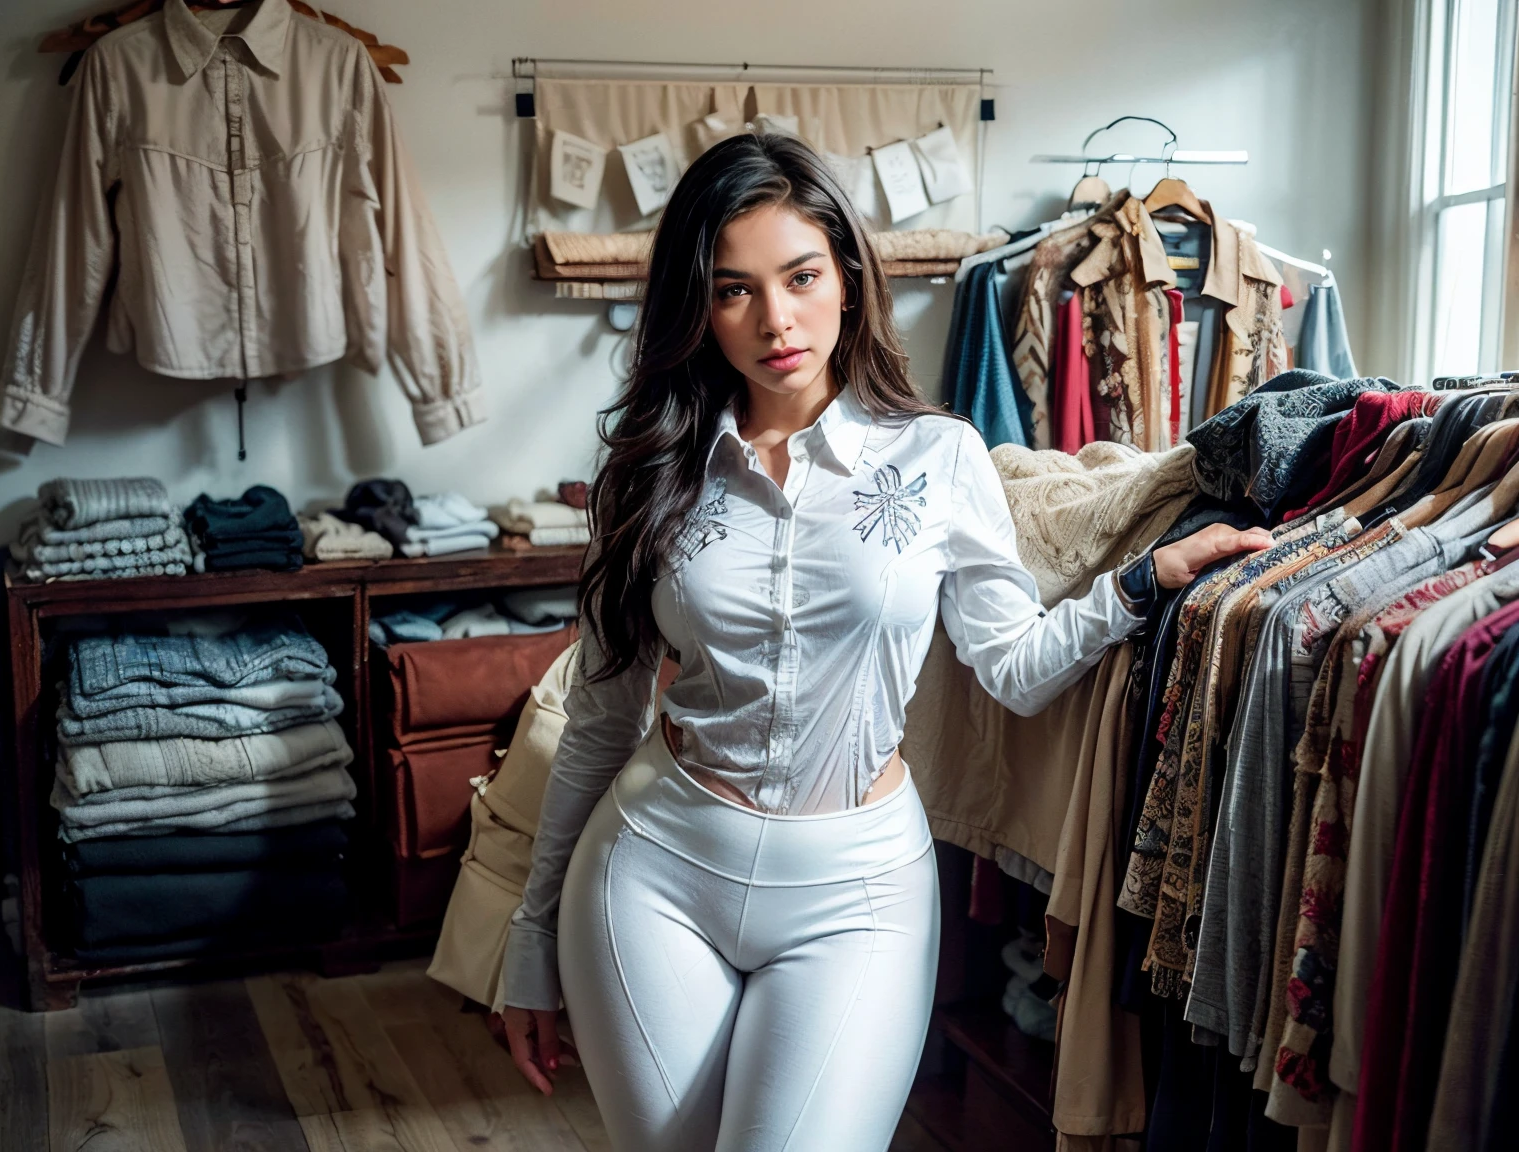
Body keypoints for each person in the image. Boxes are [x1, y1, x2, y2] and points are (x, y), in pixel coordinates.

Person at [498, 132, 1271, 1151]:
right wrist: (531, 931)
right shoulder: (647, 473)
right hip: (652, 870)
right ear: (697, 305)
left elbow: (1017, 669)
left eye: (801, 275)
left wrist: (1139, 584)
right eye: (733, 290)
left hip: (856, 895)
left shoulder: (941, 458)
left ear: (849, 279)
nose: (776, 319)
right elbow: (599, 716)